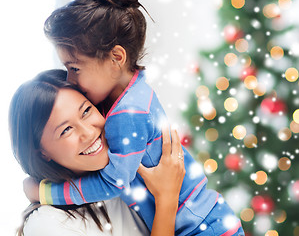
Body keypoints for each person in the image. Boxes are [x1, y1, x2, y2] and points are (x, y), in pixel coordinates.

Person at [25, 0, 245, 235]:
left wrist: (44, 192)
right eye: (66, 129)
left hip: (202, 228)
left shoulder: (127, 114)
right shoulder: (135, 91)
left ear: (116, 58)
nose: (70, 79)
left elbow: (112, 183)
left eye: (75, 68)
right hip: (205, 218)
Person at [9, 69, 185, 236]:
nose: (88, 133)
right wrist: (167, 199)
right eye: (66, 130)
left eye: (86, 111)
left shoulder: (125, 169)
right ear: (42, 154)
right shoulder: (46, 224)